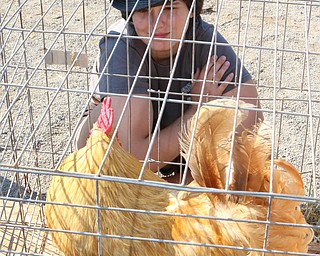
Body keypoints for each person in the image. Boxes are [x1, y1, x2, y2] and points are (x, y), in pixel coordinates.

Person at [75, 0, 263, 183]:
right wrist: (197, 111)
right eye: (143, 11)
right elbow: (133, 160)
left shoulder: (205, 39)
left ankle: (178, 183)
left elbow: (253, 138)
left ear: (191, 10)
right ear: (129, 14)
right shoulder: (120, 45)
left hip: (178, 154)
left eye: (170, 8)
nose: (157, 22)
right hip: (121, 167)